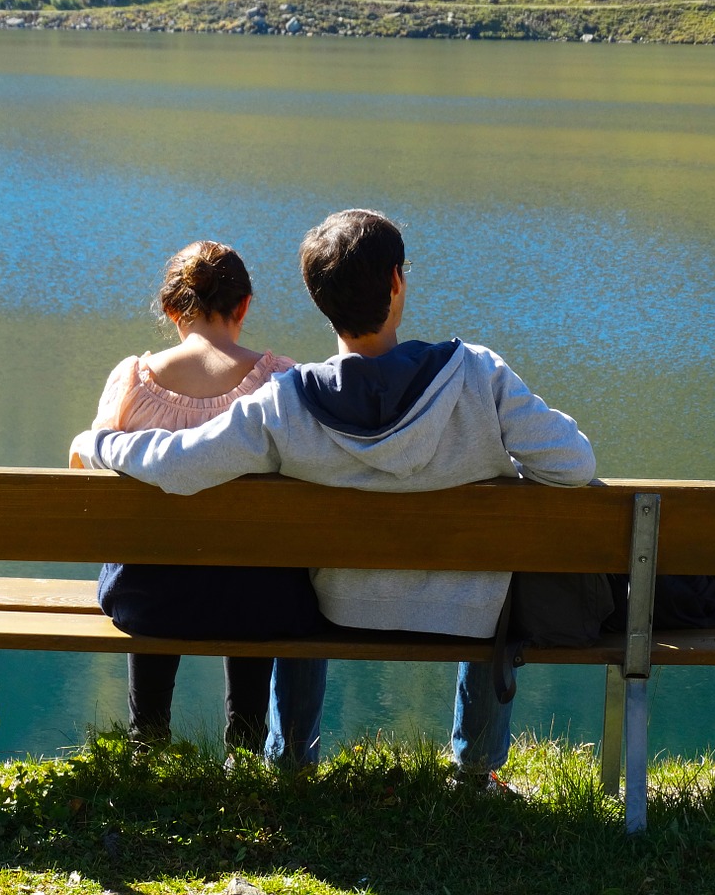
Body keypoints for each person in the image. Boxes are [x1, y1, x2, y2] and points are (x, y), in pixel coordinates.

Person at [71, 209, 596, 782]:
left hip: (336, 610)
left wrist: (101, 445)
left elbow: (178, 464)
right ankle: (474, 768)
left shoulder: (285, 403)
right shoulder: (480, 377)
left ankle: (292, 763)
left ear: (318, 298)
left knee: (297, 575)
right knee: (498, 579)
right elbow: (574, 465)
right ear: (397, 282)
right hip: (466, 611)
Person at [71, 239, 325, 754]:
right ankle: (247, 743)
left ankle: (149, 737)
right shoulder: (283, 383)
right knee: (255, 563)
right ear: (244, 306)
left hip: (147, 605)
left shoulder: (130, 384)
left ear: (170, 309)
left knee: (151, 557)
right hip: (258, 607)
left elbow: (91, 479)